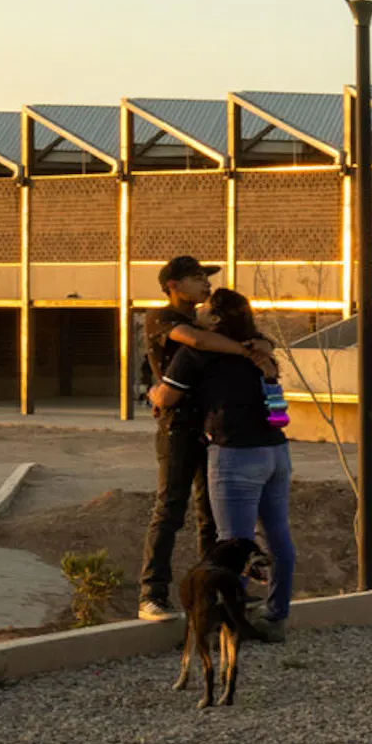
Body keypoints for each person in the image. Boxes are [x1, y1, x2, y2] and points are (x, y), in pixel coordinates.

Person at [134, 256, 275, 622]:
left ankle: (213, 594)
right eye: (197, 278)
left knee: (210, 517)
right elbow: (194, 340)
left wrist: (255, 345)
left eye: (206, 279)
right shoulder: (161, 318)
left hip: (212, 431)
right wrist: (248, 351)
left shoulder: (212, 327)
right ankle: (152, 595)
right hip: (178, 426)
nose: (206, 285)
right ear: (174, 285)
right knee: (169, 510)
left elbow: (265, 342)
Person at [159, 287, 295, 639]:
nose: (198, 312)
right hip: (276, 451)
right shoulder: (259, 350)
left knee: (233, 543)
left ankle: (231, 626)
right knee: (277, 535)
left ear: (216, 319)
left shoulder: (197, 352)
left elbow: (168, 395)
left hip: (235, 454)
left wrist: (153, 394)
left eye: (205, 309)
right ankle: (277, 616)